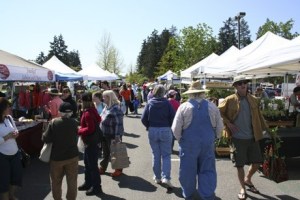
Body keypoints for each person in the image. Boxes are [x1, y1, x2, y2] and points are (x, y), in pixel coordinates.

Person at [218, 75, 268, 200]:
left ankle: (248, 179)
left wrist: (267, 130)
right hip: (237, 138)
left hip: (253, 137)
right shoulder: (230, 99)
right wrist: (228, 123)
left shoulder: (254, 99)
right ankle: (242, 188)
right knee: (239, 165)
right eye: (239, 83)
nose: (243, 84)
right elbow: (218, 111)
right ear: (235, 86)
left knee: (257, 162)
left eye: (245, 82)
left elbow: (259, 117)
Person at [171, 81, 223, 200]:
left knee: (187, 170)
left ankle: (188, 194)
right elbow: (220, 126)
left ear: (191, 94)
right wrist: (215, 137)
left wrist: (180, 139)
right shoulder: (212, 106)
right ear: (202, 93)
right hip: (207, 142)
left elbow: (175, 128)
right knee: (207, 168)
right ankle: (207, 194)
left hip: (188, 143)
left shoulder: (184, 107)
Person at [41, 102, 79, 200]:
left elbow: (46, 139)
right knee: (72, 181)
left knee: (56, 182)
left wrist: (44, 129)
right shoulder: (74, 122)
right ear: (71, 112)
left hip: (57, 157)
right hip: (72, 156)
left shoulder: (54, 122)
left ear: (59, 112)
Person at [141, 85, 175, 188]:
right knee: (166, 155)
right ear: (164, 92)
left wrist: (148, 126)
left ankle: (157, 177)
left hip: (153, 129)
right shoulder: (167, 104)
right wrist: (169, 126)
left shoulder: (150, 103)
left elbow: (143, 118)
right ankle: (166, 178)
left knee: (155, 155)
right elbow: (173, 117)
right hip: (165, 129)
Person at [78, 92, 103, 196]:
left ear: (84, 101)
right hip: (92, 142)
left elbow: (90, 128)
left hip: (91, 142)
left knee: (92, 166)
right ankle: (88, 183)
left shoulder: (88, 112)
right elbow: (99, 119)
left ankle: (96, 187)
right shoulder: (92, 110)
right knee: (88, 165)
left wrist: (79, 130)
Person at [0, 97, 22, 200]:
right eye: (8, 106)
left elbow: (15, 130)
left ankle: (11, 196)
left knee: (16, 178)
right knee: (4, 180)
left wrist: (16, 133)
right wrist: (8, 136)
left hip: (15, 152)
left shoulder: (9, 118)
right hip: (2, 156)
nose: (10, 108)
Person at [99, 90, 124, 177]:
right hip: (105, 133)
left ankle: (118, 169)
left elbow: (118, 124)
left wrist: (117, 137)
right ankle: (103, 167)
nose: (102, 98)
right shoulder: (106, 106)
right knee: (105, 152)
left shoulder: (116, 108)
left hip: (113, 134)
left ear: (109, 98)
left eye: (104, 97)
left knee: (116, 152)